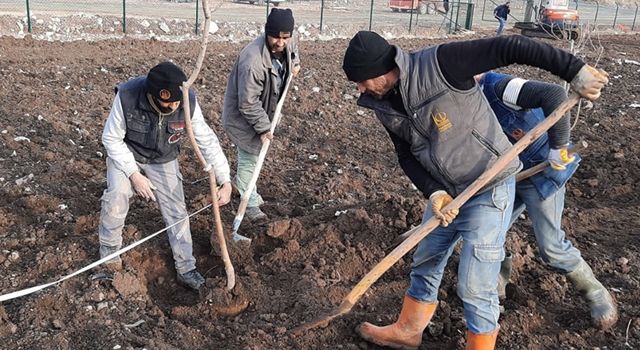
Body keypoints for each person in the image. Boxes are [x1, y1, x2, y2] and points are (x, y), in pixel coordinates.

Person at [341, 31, 608, 349]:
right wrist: (434, 192)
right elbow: (406, 155)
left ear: (383, 68)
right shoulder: (382, 103)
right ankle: (409, 330)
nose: (359, 89)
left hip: (489, 186)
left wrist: (574, 70)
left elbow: (509, 46)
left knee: (476, 285)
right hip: (448, 193)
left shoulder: (441, 63)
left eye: (362, 80)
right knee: (426, 259)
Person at [477, 71, 618, 329]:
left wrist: (558, 146)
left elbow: (554, 94)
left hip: (541, 171)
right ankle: (493, 291)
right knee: (488, 236)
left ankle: (595, 291)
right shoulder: (462, 101)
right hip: (504, 179)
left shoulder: (500, 87)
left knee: (551, 247)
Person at [99, 61, 232, 291]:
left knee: (177, 210)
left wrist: (225, 179)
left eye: (176, 102)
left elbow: (206, 140)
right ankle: (109, 256)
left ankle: (186, 267)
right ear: (152, 95)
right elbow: (111, 138)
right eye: (166, 102)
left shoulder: (188, 101)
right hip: (127, 153)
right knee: (117, 196)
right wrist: (134, 174)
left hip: (164, 158)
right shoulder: (128, 97)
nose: (172, 107)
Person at [222, 8, 300, 242]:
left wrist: (294, 64)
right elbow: (247, 103)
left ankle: (250, 192)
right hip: (243, 117)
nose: (281, 42)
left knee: (256, 157)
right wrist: (264, 127)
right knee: (249, 158)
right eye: (276, 37)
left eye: (285, 37)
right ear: (267, 33)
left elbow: (294, 52)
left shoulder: (289, 40)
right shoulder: (252, 61)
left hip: (264, 110)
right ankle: (250, 205)